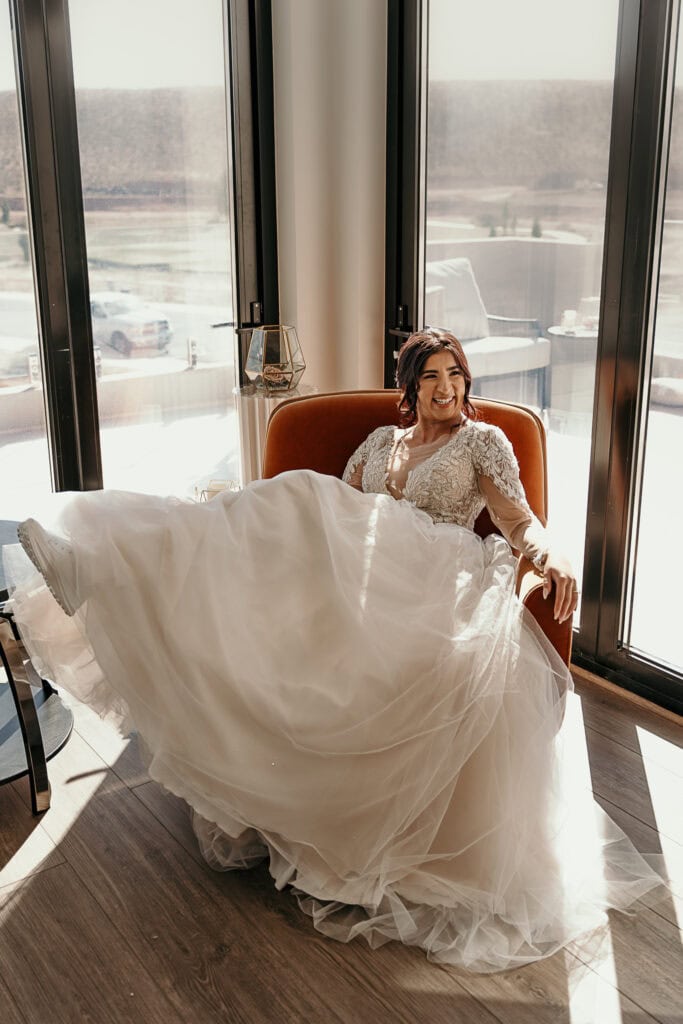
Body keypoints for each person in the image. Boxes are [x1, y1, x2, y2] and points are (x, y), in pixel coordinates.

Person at [5, 329, 665, 974]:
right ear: (410, 388)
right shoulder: (381, 441)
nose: (445, 386)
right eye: (431, 375)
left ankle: (114, 549)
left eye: (455, 374)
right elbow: (345, 511)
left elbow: (517, 519)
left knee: (297, 494)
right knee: (288, 504)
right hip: (361, 566)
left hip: (437, 574)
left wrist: (550, 554)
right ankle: (96, 552)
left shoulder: (480, 441)